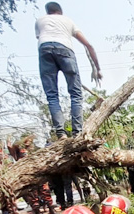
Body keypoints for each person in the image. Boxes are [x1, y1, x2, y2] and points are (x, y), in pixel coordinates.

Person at [36, 1, 102, 137]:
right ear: (60, 11)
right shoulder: (68, 21)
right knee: (76, 94)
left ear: (48, 11)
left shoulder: (40, 21)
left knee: (52, 95)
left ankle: (61, 132)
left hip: (45, 50)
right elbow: (88, 45)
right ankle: (77, 132)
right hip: (65, 50)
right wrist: (97, 68)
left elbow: (42, 38)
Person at [8, 135, 58, 214]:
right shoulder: (18, 153)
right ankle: (38, 213)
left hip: (38, 174)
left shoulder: (32, 150)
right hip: (28, 177)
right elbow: (11, 147)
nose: (30, 143)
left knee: (45, 191)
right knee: (33, 195)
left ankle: (51, 210)